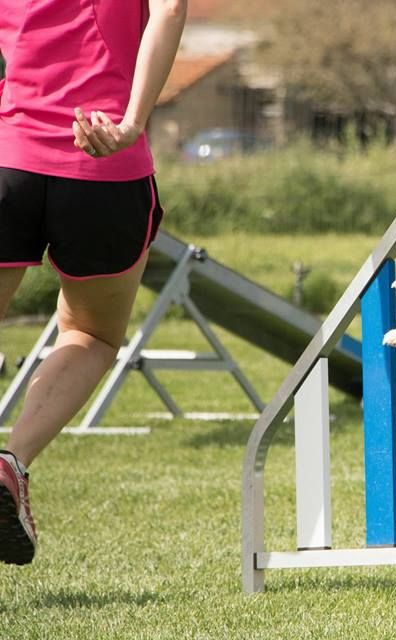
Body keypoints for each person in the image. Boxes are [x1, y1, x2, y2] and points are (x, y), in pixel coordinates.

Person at [0, 0, 187, 565]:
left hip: (10, 153)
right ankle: (10, 461)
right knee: (92, 337)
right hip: (105, 163)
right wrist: (131, 122)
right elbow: (170, 8)